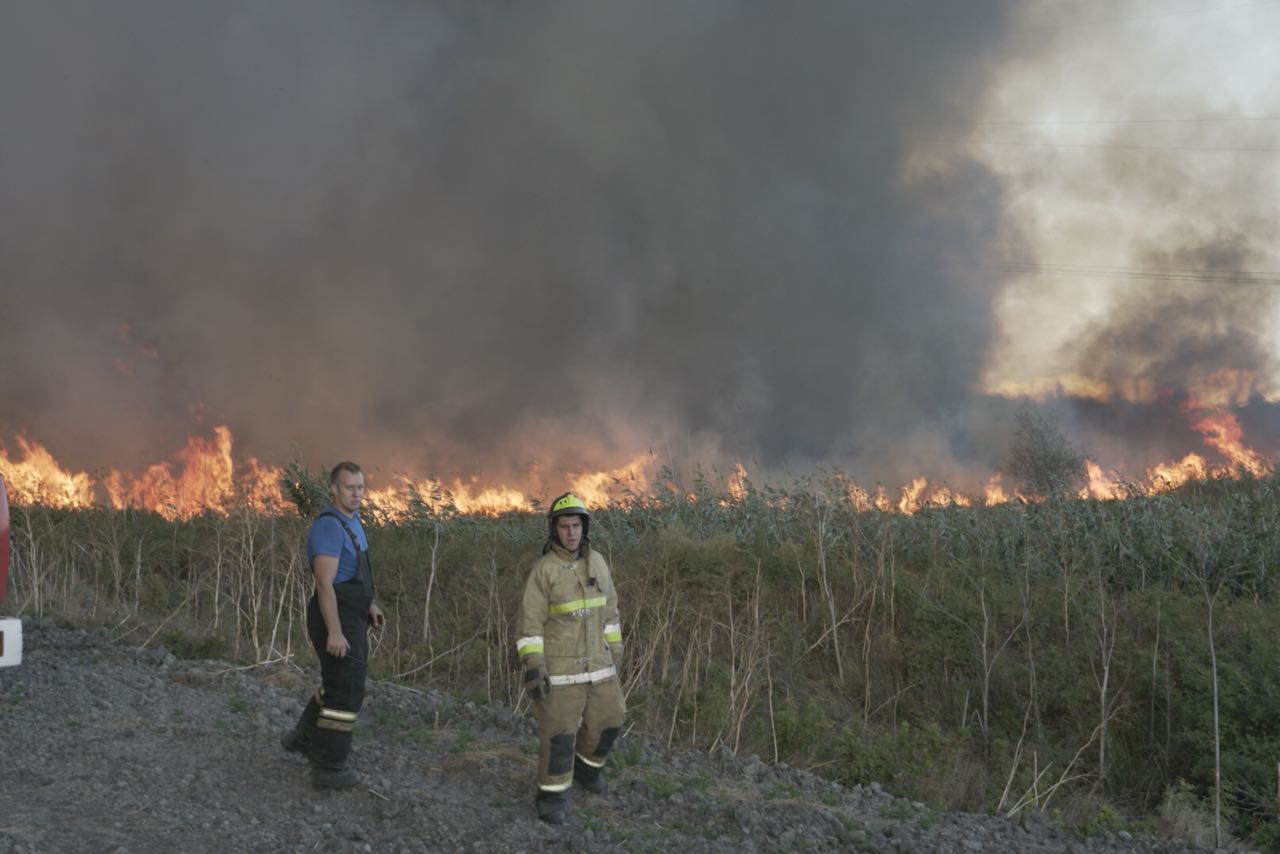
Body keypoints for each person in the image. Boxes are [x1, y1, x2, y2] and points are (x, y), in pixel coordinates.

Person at [515, 492, 626, 824]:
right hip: (561, 673)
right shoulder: (544, 571)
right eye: (564, 526)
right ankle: (551, 796)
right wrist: (534, 666)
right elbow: (529, 624)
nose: (571, 533)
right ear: (555, 530)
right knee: (560, 735)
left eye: (576, 525)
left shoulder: (599, 563)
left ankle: (587, 772)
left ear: (584, 527)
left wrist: (615, 654)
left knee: (611, 720)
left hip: (600, 666)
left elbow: (611, 613)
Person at [281, 461, 384, 790]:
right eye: (349, 488)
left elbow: (354, 574)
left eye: (360, 488)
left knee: (336, 684)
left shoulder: (353, 523)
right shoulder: (328, 527)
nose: (356, 494)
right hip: (333, 619)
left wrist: (368, 604)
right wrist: (336, 632)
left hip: (352, 615)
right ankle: (329, 768)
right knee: (346, 692)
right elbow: (325, 585)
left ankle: (303, 738)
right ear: (334, 490)